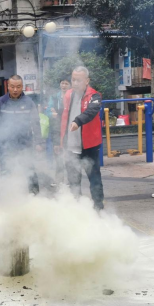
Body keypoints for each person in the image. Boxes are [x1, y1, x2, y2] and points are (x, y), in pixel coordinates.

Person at [54, 67, 104, 211]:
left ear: (87, 81)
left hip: (89, 146)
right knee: (73, 181)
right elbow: (61, 119)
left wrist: (77, 121)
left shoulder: (95, 96)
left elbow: (91, 112)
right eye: (73, 80)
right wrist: (59, 140)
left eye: (79, 80)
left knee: (94, 179)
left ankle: (99, 208)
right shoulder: (68, 95)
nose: (75, 83)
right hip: (70, 147)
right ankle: (78, 209)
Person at [0, 75, 43, 194]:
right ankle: (9, 195)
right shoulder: (1, 102)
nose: (15, 90)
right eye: (12, 87)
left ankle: (34, 196)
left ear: (22, 87)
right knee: (6, 170)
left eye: (18, 87)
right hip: (5, 144)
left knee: (29, 169)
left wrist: (39, 142)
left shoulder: (29, 102)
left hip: (25, 143)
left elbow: (36, 123)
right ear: (8, 86)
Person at [45, 78, 71, 185]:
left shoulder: (73, 96)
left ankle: (71, 180)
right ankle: (59, 179)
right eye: (62, 83)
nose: (64, 85)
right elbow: (48, 111)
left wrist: (58, 113)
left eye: (66, 83)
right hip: (57, 129)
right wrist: (52, 114)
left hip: (70, 129)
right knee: (58, 154)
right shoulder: (54, 97)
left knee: (69, 156)